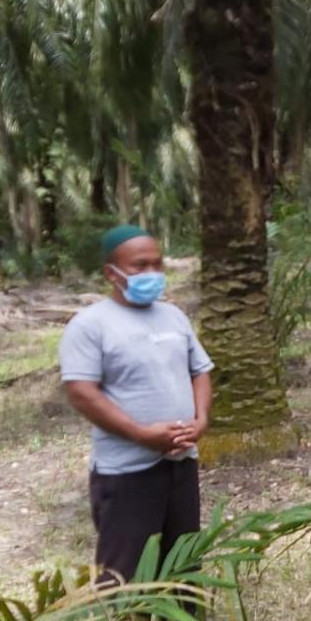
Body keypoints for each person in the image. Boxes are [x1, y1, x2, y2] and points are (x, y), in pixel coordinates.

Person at [59, 224, 213, 598]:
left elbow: (200, 371)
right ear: (112, 273)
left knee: (183, 549)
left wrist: (201, 420)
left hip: (180, 459)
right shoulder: (90, 325)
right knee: (124, 559)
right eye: (139, 266)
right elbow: (81, 392)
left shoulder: (173, 317)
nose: (151, 274)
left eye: (157, 264)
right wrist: (142, 435)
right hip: (127, 468)